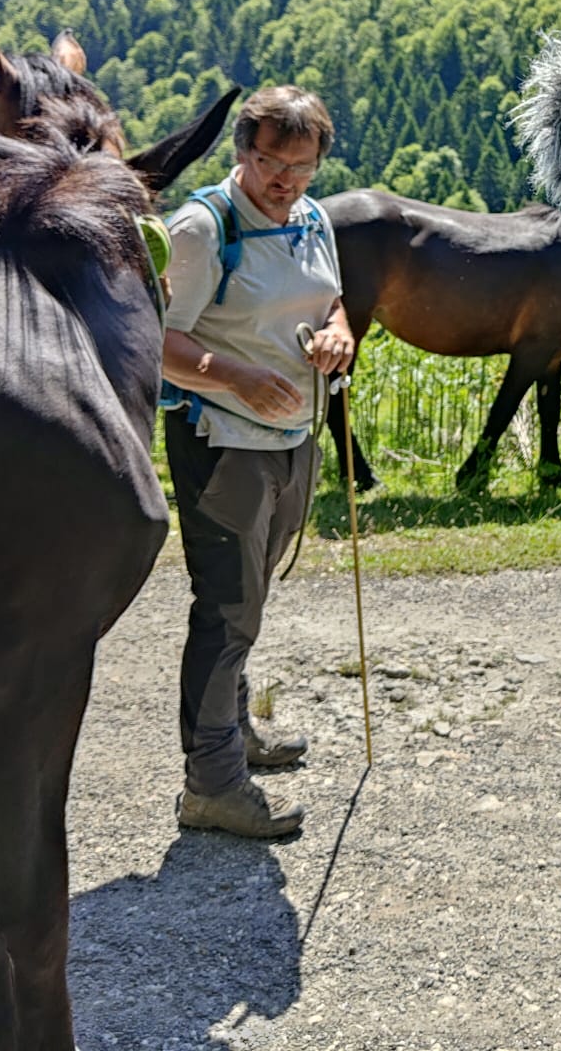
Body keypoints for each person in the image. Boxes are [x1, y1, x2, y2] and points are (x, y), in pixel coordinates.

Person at [158, 85, 355, 839]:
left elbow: (330, 303)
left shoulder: (312, 219)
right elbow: (157, 340)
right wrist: (234, 375)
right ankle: (211, 785)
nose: (287, 181)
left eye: (302, 167)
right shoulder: (202, 230)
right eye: (273, 163)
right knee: (227, 610)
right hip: (222, 443)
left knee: (249, 602)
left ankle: (232, 737)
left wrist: (338, 334)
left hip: (293, 439)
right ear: (243, 152)